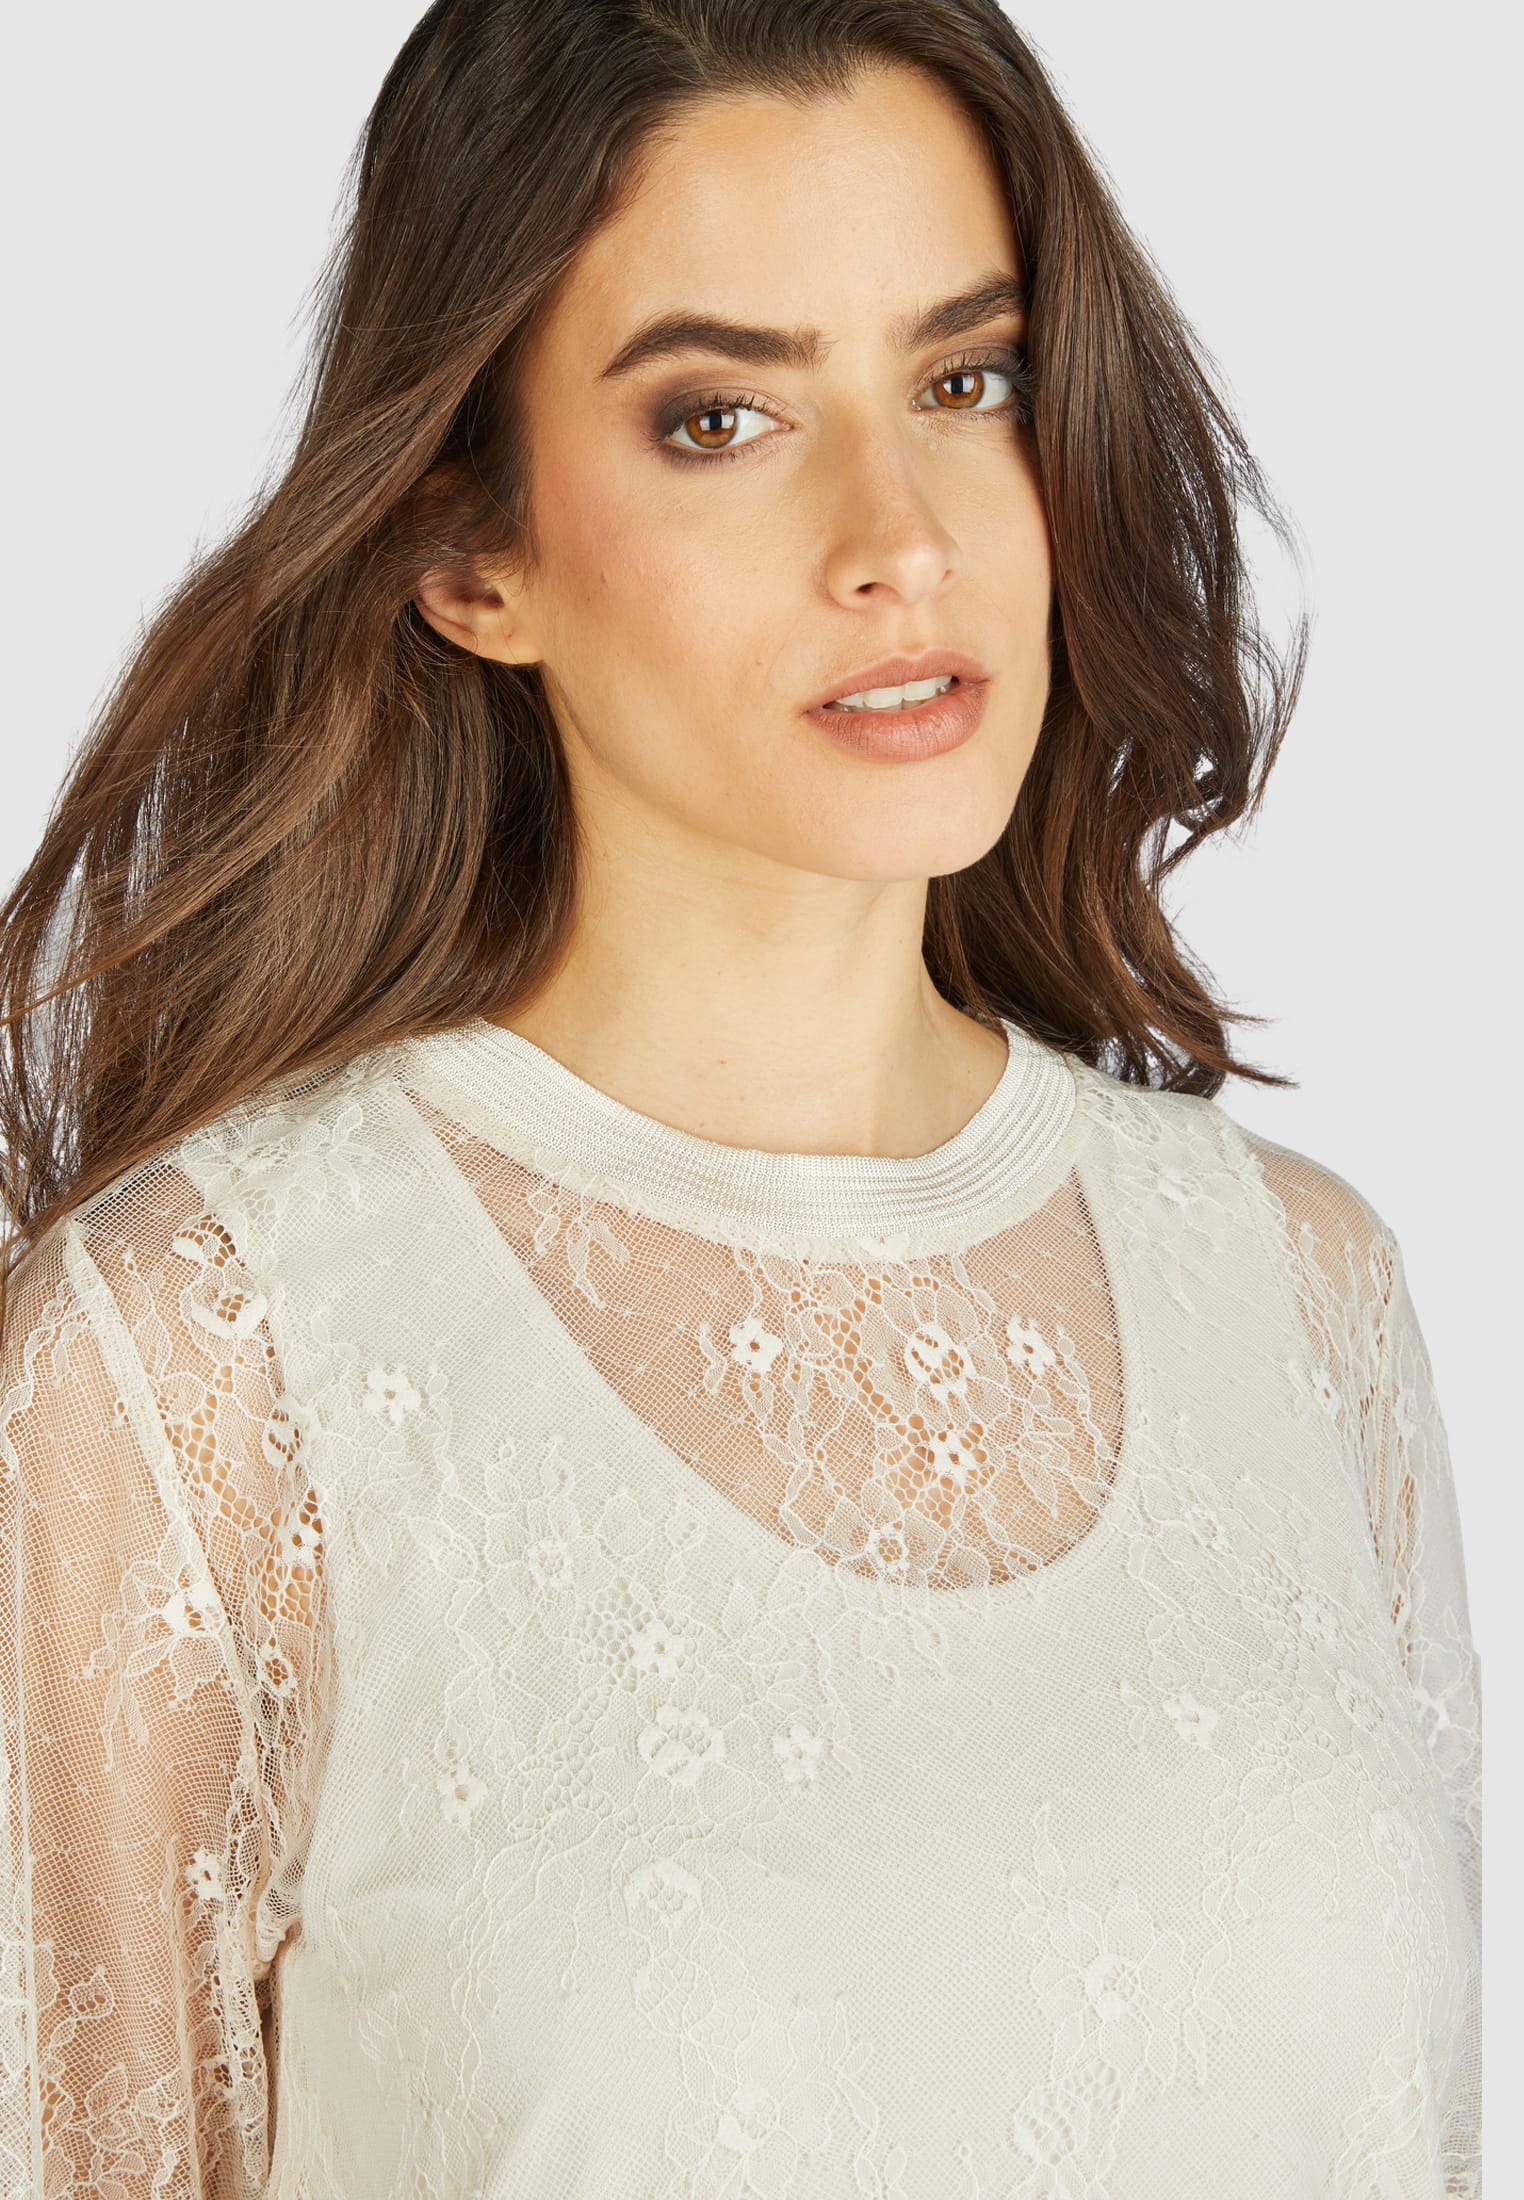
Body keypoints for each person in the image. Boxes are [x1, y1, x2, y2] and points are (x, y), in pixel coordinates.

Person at [0, 0, 1482, 2192]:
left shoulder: (1300, 1288)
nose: (900, 536)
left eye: (966, 382)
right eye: (721, 417)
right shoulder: (198, 1365)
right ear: (470, 553)